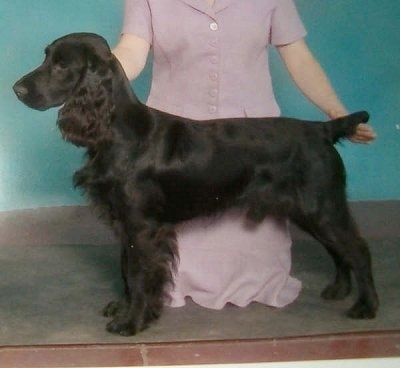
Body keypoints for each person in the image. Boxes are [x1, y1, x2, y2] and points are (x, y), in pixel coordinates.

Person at [113, 0, 376, 310]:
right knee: (167, 259)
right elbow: (131, 49)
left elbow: (299, 57)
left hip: (256, 149)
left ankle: (361, 285)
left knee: (321, 218)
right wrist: (98, 76)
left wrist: (335, 111)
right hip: (179, 153)